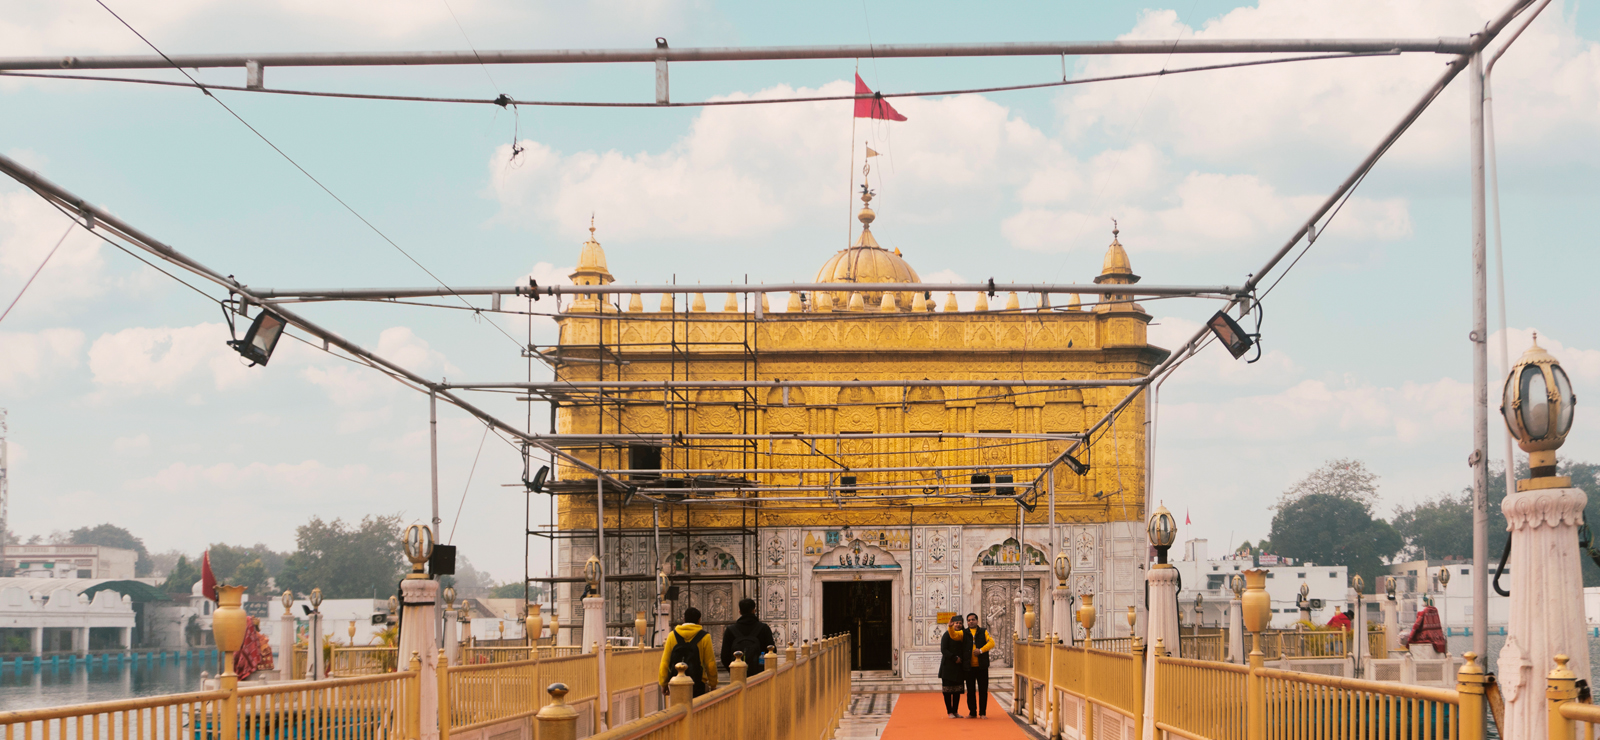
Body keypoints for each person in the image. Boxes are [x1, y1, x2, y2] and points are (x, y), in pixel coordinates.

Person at [658, 607, 718, 697]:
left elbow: (665, 662)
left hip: (677, 683)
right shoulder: (705, 637)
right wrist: (713, 684)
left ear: (684, 619)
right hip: (697, 684)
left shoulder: (672, 635)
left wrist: (664, 683)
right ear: (699, 620)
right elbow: (710, 664)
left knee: (678, 705)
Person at [722, 598, 776, 675]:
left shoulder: (730, 630)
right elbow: (772, 651)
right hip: (759, 675)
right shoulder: (763, 628)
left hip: (737, 674)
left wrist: (733, 671)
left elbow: (724, 656)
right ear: (754, 610)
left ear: (740, 612)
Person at [964, 612, 995, 718]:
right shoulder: (964, 633)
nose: (971, 622)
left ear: (977, 621)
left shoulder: (983, 631)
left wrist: (981, 650)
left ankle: (982, 713)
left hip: (982, 667)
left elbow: (992, 643)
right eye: (969, 620)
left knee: (983, 691)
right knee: (970, 691)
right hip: (969, 667)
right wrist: (950, 627)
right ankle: (972, 712)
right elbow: (954, 635)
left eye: (973, 619)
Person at [939, 615, 970, 718]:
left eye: (960, 623)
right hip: (948, 666)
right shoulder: (947, 634)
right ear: (953, 624)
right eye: (956, 623)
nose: (958, 625)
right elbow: (944, 649)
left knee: (957, 690)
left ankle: (955, 711)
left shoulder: (964, 634)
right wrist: (954, 657)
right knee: (947, 691)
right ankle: (949, 712)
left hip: (959, 667)